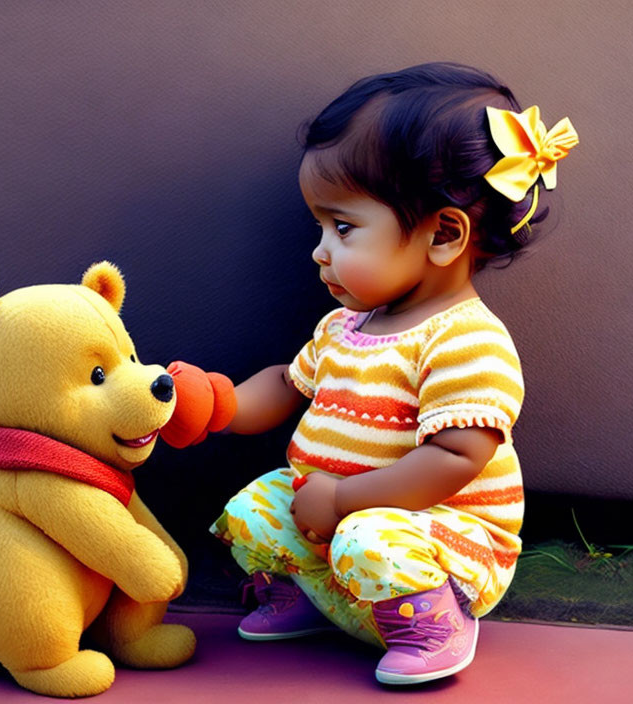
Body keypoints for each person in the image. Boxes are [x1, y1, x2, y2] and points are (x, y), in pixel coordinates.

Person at [209, 62, 578, 685]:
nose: (320, 250)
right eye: (320, 227)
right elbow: (285, 384)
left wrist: (344, 499)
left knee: (370, 539)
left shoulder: (466, 340)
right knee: (254, 506)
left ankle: (435, 625)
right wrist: (215, 406)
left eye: (343, 227)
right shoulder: (345, 326)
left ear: (443, 233)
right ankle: (315, 596)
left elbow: (457, 457)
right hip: (334, 519)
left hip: (442, 546)